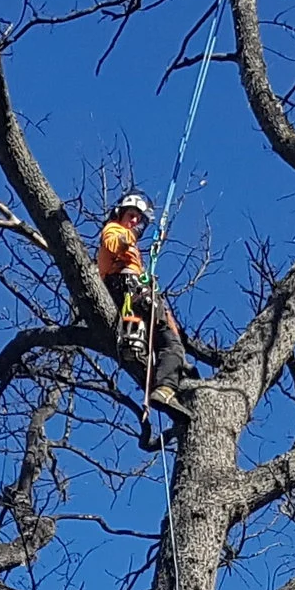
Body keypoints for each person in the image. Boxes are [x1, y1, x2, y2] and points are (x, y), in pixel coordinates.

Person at [96, 189, 190, 446]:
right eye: (131, 215)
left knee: (163, 351)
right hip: (132, 293)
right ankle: (165, 390)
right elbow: (113, 242)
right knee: (171, 345)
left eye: (139, 218)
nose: (135, 221)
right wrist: (128, 239)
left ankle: (174, 384)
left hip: (132, 295)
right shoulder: (115, 230)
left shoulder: (125, 242)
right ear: (120, 213)